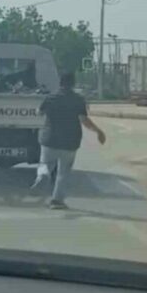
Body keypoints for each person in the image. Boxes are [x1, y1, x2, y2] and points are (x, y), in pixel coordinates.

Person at [33, 71, 106, 209]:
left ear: (60, 82)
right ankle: (57, 201)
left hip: (50, 139)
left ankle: (43, 175)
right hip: (70, 141)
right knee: (63, 173)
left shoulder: (51, 97)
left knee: (45, 164)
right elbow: (84, 120)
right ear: (73, 83)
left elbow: (39, 112)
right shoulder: (78, 100)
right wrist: (98, 131)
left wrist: (40, 109)